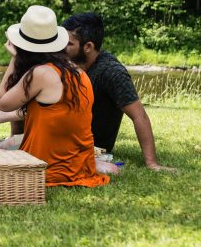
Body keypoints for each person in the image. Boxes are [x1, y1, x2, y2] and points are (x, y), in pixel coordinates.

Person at [0, 5, 109, 187]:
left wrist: (14, 59)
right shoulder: (77, 71)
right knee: (3, 147)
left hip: (49, 169)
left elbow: (3, 103)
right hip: (81, 167)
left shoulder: (40, 73)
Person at [62, 13, 175, 172]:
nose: (61, 47)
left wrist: (152, 163)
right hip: (62, 135)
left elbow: (139, 116)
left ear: (88, 47)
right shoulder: (66, 61)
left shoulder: (111, 72)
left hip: (89, 147)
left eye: (68, 43)